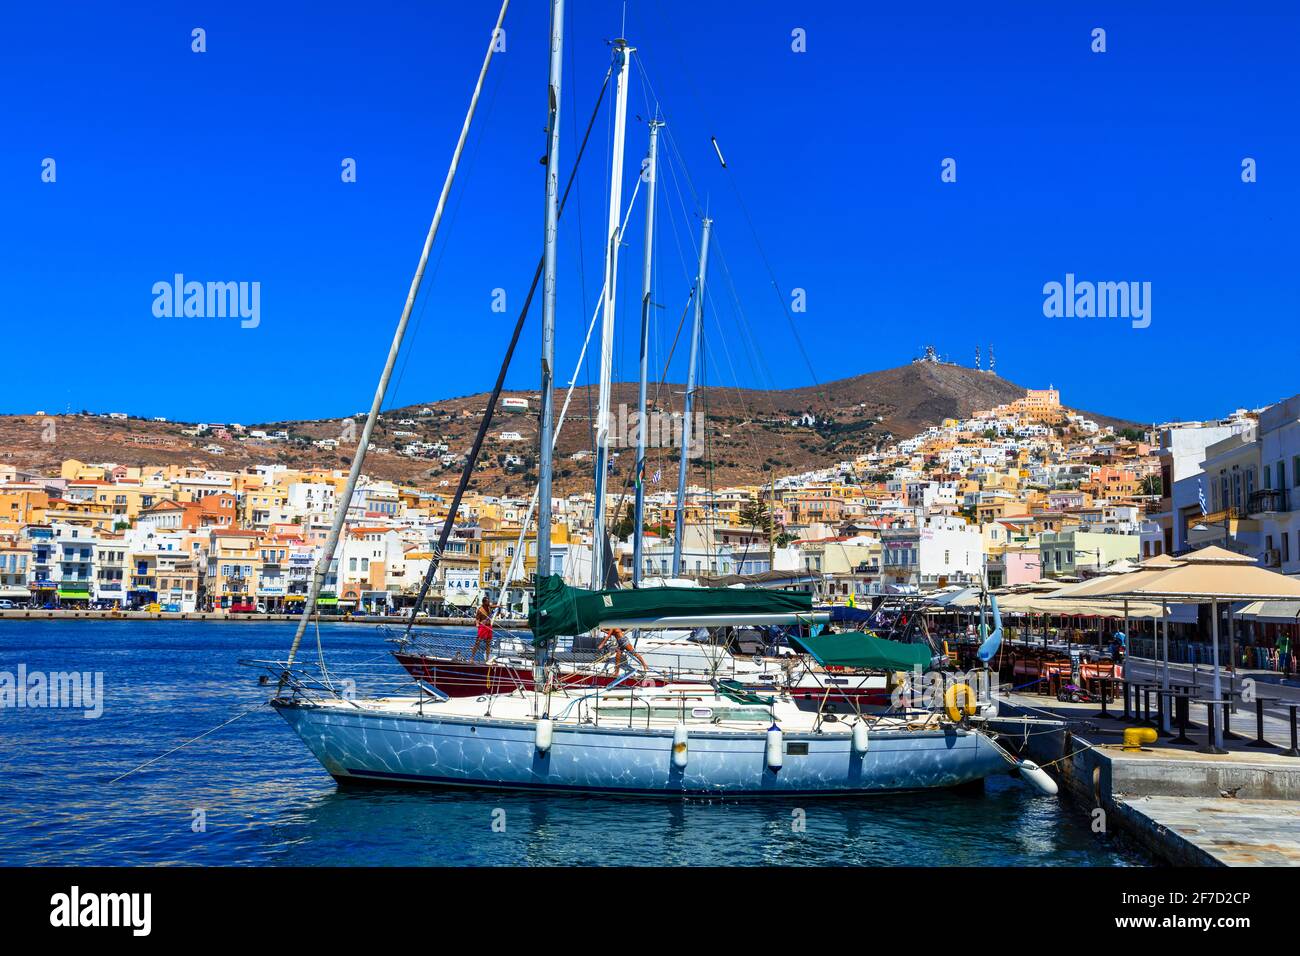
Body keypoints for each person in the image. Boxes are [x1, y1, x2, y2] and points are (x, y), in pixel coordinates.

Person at [472, 595, 495, 661]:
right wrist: (477, 624)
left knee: (488, 643)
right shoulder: (480, 610)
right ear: (484, 602)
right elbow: (477, 619)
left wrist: (499, 606)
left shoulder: (489, 607)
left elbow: (493, 606)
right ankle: (472, 657)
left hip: (489, 626)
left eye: (489, 602)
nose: (489, 603)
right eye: (488, 602)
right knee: (478, 642)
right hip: (482, 627)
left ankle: (487, 659)